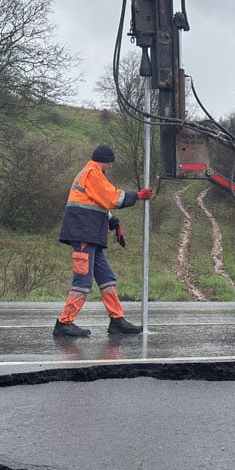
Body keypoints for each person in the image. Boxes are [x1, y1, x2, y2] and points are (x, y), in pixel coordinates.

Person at [53, 144, 153, 338]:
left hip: (91, 237)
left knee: (107, 278)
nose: (111, 167)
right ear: (104, 160)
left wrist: (113, 223)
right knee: (83, 281)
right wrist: (137, 196)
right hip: (83, 235)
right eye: (110, 163)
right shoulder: (92, 173)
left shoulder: (92, 174)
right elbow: (112, 198)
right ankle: (64, 323)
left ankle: (117, 320)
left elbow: (97, 205)